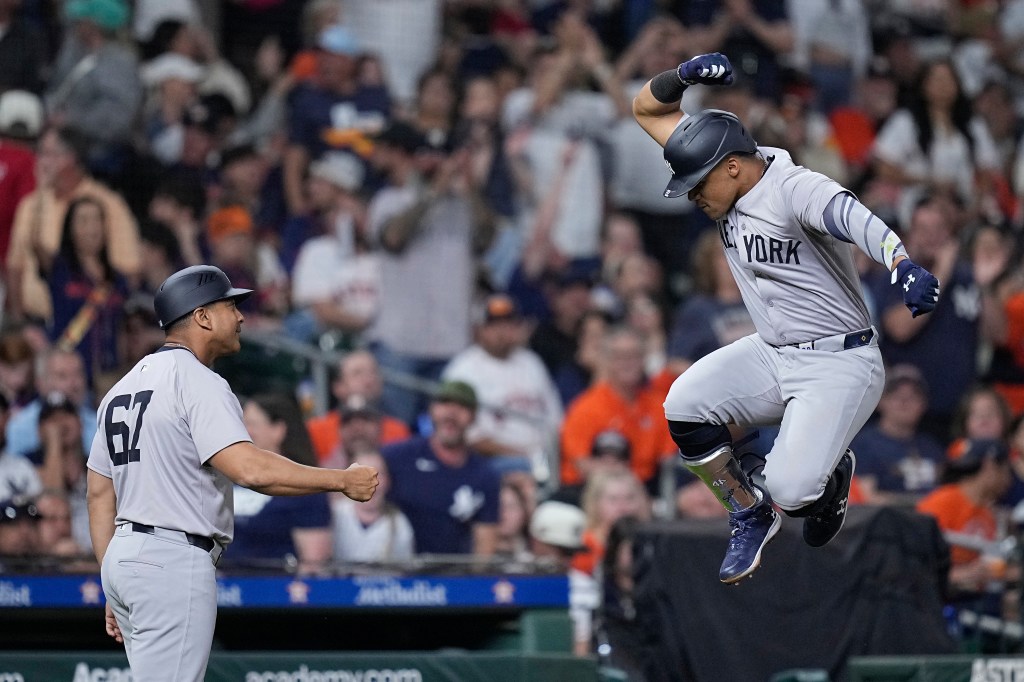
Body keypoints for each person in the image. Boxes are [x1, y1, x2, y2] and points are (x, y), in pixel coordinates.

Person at [632, 53, 940, 584]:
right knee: (683, 405)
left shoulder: (794, 187)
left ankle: (827, 478)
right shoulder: (718, 163)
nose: (695, 197)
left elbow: (853, 216)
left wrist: (901, 262)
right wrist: (681, 77)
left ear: (733, 167)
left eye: (699, 185)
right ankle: (748, 511)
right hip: (773, 351)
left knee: (794, 492)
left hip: (839, 362)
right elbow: (646, 109)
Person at [86, 264, 379, 681]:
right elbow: (250, 469)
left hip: (126, 558)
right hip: (171, 559)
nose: (241, 317)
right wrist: (340, 480)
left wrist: (113, 573)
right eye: (230, 306)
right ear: (202, 316)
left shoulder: (120, 388)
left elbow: (99, 494)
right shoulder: (198, 380)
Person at [382, 381, 500, 556]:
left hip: (453, 575)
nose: (451, 413)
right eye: (445, 403)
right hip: (396, 571)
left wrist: (476, 581)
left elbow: (485, 543)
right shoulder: (397, 456)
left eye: (462, 406)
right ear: (431, 410)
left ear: (474, 417)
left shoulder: (484, 475)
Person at [228, 393, 333, 575]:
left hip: (274, 593)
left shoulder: (306, 487)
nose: (242, 431)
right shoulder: (228, 476)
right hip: (219, 589)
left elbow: (313, 563)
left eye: (251, 424)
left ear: (278, 430)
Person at [332, 449, 414, 565]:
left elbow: (403, 573)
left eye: (377, 474)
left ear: (388, 481)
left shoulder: (400, 525)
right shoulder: (332, 515)